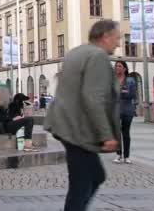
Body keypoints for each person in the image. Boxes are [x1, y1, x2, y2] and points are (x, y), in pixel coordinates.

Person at [44, 20, 120, 211]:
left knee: (95, 176)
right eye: (117, 38)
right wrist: (106, 135)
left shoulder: (76, 52)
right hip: (77, 129)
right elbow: (93, 97)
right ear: (105, 36)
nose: (118, 44)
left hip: (64, 124)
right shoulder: (98, 56)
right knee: (82, 183)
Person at [113, 61, 137, 164]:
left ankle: (127, 156)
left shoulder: (130, 80)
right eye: (116, 66)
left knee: (126, 133)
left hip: (127, 109)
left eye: (119, 66)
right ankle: (119, 154)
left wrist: (120, 93)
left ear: (124, 69)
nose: (117, 68)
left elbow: (131, 94)